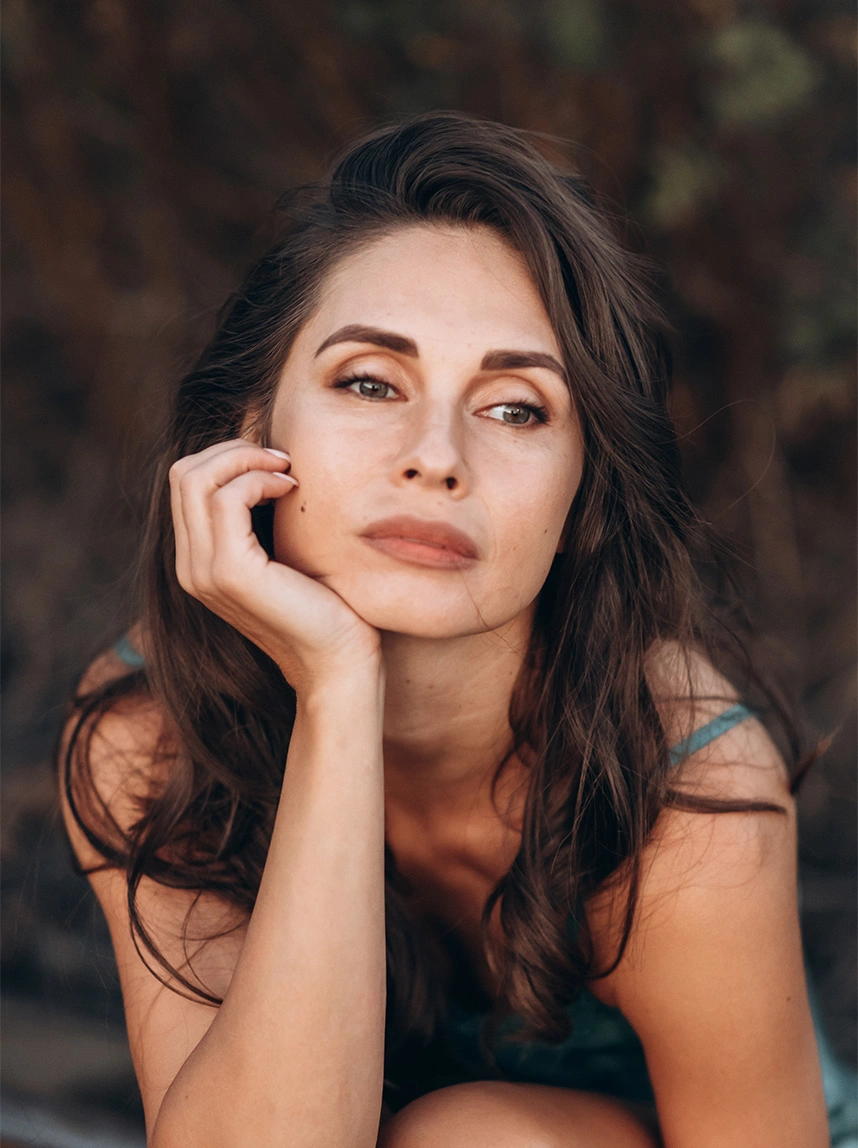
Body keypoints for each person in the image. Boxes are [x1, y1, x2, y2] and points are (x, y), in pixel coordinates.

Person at [59, 112, 852, 1147]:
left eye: (517, 408)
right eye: (370, 382)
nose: (436, 455)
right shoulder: (148, 734)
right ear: (248, 432)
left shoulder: (682, 793)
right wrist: (339, 689)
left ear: (586, 502)